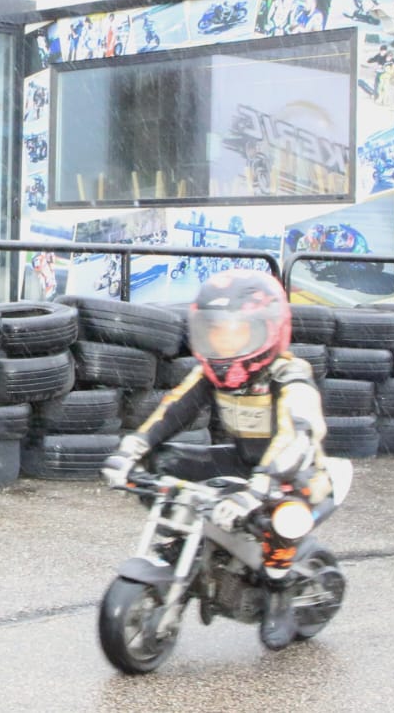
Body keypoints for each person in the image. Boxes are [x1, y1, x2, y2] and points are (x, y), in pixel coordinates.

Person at [100, 269, 331, 650]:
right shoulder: (208, 374)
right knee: (163, 464)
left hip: (293, 470)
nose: (224, 343)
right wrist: (132, 451)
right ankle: (181, 543)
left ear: (267, 330)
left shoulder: (290, 377)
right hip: (241, 461)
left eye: (236, 332)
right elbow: (172, 411)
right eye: (215, 332)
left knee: (284, 514)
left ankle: (278, 593)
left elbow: (298, 435)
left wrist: (261, 488)